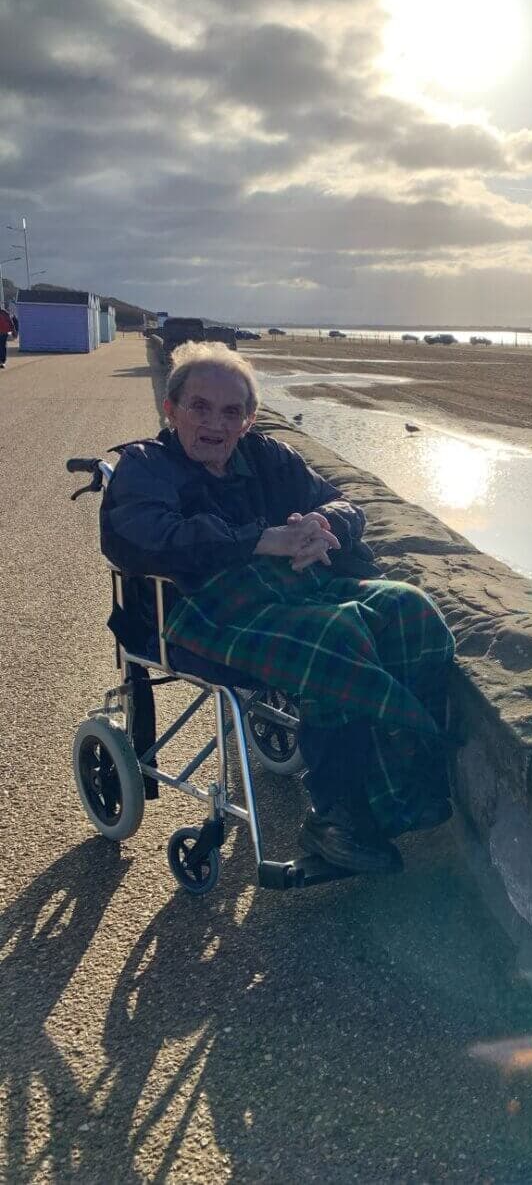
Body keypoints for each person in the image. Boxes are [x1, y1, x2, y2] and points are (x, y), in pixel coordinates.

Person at [100, 342, 456, 876]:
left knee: (412, 610)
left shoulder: (268, 457)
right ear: (171, 410)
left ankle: (400, 790)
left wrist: (323, 528)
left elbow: (344, 501)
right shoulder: (145, 466)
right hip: (201, 608)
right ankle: (336, 818)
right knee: (336, 636)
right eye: (199, 407)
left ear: (247, 420)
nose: (214, 422)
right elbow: (143, 537)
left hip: (295, 589)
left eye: (230, 411)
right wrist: (259, 540)